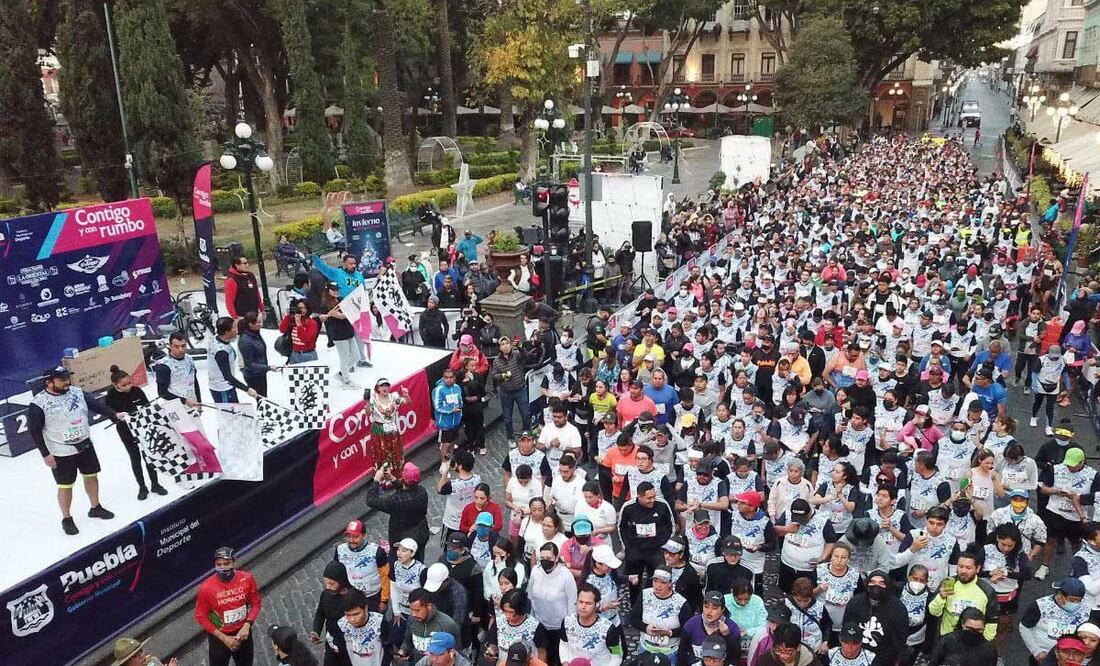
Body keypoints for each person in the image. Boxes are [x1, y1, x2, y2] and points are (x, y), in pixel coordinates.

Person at [28, 366, 124, 535]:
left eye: (67, 378)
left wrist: (114, 414)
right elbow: (35, 430)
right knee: (65, 486)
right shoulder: (38, 403)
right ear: (49, 383)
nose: (67, 382)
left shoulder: (77, 392)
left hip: (85, 444)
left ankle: (95, 507)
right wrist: (45, 454)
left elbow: (96, 405)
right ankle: (67, 518)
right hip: (61, 451)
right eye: (62, 379)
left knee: (91, 476)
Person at [105, 365, 166, 501]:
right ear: (115, 385)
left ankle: (155, 484)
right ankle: (142, 486)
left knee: (149, 455)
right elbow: (110, 415)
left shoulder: (137, 391)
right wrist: (118, 416)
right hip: (126, 430)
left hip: (143, 427)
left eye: (129, 383)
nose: (128, 387)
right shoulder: (111, 395)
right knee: (135, 458)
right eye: (123, 385)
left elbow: (147, 407)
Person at [194, 547, 262, 666]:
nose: (223, 568)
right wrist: (224, 638)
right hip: (219, 637)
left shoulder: (247, 578)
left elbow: (256, 604)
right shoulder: (206, 587)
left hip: (243, 633)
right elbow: (201, 616)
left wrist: (247, 625)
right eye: (218, 564)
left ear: (234, 562)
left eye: (227, 563)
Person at [928, 551, 999, 642]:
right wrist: (941, 597)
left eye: (968, 568)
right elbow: (934, 612)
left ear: (977, 569)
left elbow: (992, 619)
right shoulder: (947, 584)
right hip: (948, 640)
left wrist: (985, 641)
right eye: (960, 566)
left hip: (973, 642)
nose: (963, 571)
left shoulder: (987, 590)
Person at [841, 570, 908, 666]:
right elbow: (847, 627)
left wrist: (884, 658)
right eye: (872, 582)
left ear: (888, 586)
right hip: (856, 654)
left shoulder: (898, 608)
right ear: (867, 584)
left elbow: (899, 638)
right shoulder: (855, 603)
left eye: (881, 583)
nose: (876, 586)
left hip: (883, 658)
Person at [1019, 577, 1091, 665]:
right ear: (1060, 595)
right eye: (1072, 600)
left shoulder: (1086, 610)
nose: (1075, 604)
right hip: (1042, 657)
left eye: (1079, 601)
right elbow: (1024, 627)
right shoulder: (1040, 606)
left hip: (1071, 658)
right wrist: (1036, 651)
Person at [365, 463, 430, 558]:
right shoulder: (422, 491)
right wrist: (392, 479)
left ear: (402, 478)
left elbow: (371, 500)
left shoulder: (396, 501)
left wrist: (376, 480)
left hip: (401, 542)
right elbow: (407, 489)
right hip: (420, 536)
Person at [529, 542, 578, 665]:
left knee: (559, 658)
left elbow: (572, 602)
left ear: (556, 558)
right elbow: (530, 595)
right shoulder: (536, 571)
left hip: (559, 626)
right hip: (540, 623)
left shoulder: (566, 575)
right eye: (542, 558)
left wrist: (569, 625)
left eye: (549, 558)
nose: (545, 561)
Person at [310, 560, 353, 665]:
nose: (328, 586)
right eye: (326, 583)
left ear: (341, 580)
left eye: (332, 583)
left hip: (349, 646)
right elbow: (320, 613)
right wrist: (316, 630)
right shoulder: (326, 594)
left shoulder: (354, 598)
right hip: (331, 642)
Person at [209, 316, 259, 404]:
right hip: (222, 389)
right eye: (234, 328)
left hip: (228, 386)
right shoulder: (221, 352)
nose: (237, 331)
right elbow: (228, 377)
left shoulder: (220, 338)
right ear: (226, 332)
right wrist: (247, 389)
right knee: (229, 415)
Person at [928, 607, 998, 666]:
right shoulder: (947, 641)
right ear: (962, 624)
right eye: (969, 628)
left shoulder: (989, 649)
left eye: (978, 630)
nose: (973, 632)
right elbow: (934, 662)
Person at [155, 331, 202, 407]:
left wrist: (199, 401)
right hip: (176, 408)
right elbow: (162, 393)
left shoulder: (189, 358)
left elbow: (194, 381)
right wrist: (185, 401)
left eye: (183, 346)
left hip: (193, 405)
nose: (181, 349)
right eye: (176, 346)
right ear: (170, 346)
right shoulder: (164, 366)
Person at [237, 313, 274, 396]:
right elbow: (249, 364)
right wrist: (268, 367)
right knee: (261, 399)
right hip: (254, 375)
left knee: (263, 398)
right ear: (250, 324)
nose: (261, 324)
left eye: (261, 321)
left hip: (260, 372)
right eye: (258, 322)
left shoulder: (255, 333)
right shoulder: (245, 340)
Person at [280, 298, 321, 364]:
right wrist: (288, 316)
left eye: (304, 308)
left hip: (308, 355)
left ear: (308, 309)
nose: (301, 310)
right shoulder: (294, 320)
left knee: (309, 374)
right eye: (299, 308)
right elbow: (282, 329)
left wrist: (299, 324)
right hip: (295, 354)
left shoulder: (312, 323)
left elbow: (305, 339)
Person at [108, 637, 179, 666]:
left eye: (141, 651)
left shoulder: (152, 661)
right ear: (126, 664)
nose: (141, 656)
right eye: (135, 656)